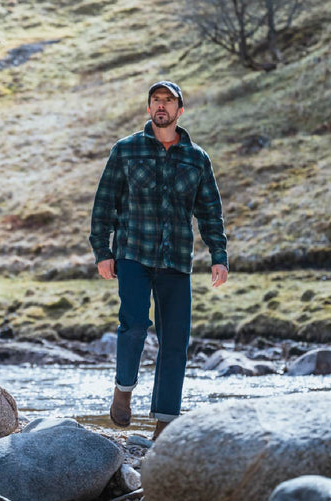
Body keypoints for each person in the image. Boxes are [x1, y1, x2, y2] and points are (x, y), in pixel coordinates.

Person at [89, 80, 228, 440]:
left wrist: (219, 255)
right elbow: (104, 203)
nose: (161, 106)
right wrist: (103, 252)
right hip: (133, 252)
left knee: (175, 342)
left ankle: (164, 422)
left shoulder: (197, 158)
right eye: (155, 100)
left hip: (177, 260)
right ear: (149, 109)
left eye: (168, 101)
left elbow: (210, 211)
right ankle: (123, 390)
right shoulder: (125, 150)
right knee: (134, 325)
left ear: (180, 111)